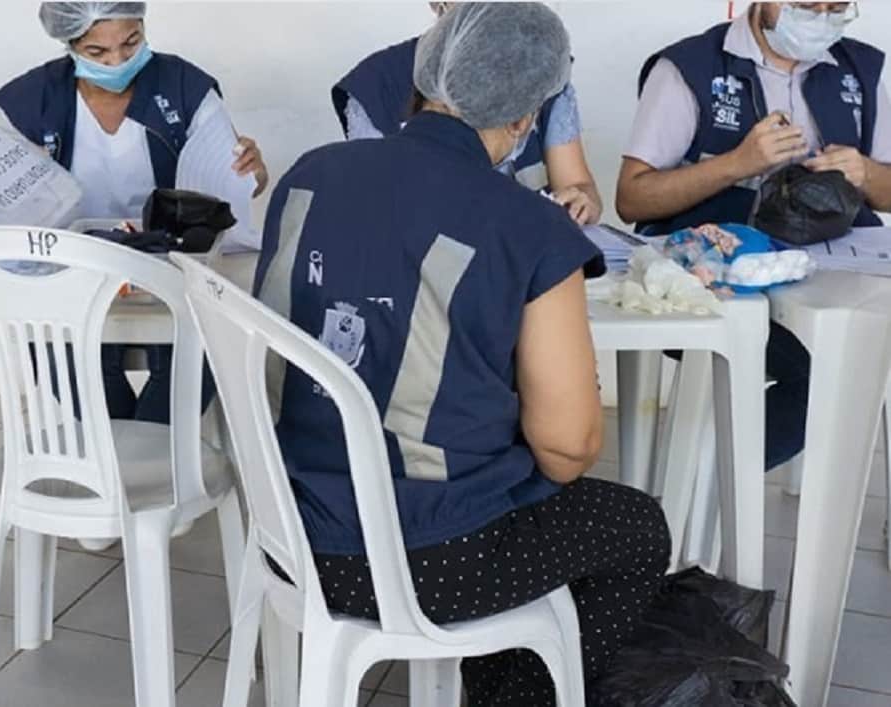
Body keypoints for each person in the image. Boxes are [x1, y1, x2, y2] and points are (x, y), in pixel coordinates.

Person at [256, 4, 670, 705]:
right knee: (636, 529)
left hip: (289, 530)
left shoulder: (308, 174)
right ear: (525, 116)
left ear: (422, 78)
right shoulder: (530, 225)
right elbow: (569, 448)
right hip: (431, 560)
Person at [615, 1, 891, 471]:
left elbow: (886, 193)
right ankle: (707, 485)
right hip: (718, 286)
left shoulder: (860, 71)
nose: (821, 17)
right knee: (818, 380)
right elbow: (633, 199)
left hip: (831, 275)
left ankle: (713, 481)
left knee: (855, 364)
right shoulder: (689, 68)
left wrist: (865, 172)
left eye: (837, 6)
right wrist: (736, 165)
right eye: (807, 5)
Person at [0, 2, 269, 426]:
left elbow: (232, 190)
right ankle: (121, 447)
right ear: (70, 44)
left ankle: (149, 448)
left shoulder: (183, 87)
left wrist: (254, 173)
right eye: (97, 52)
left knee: (204, 352)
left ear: (143, 26)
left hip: (173, 266)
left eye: (131, 42)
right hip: (73, 273)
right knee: (60, 356)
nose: (117, 61)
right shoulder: (33, 100)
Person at [331, 2, 603, 226]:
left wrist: (581, 203)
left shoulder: (541, 67)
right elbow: (379, 210)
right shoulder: (378, 84)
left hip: (531, 246)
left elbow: (577, 184)